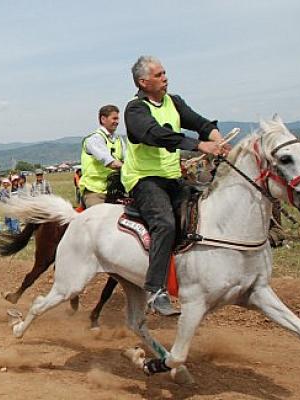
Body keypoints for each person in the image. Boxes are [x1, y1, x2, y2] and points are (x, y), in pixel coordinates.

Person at [121, 55, 228, 316]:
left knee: (202, 215)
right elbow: (155, 134)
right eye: (159, 75)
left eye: (165, 73)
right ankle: (156, 289)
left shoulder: (174, 102)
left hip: (172, 178)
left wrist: (217, 139)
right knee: (165, 224)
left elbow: (199, 123)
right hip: (144, 179)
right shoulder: (135, 109)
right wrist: (199, 145)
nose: (165, 77)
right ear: (143, 82)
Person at [79, 105, 126, 208]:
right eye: (114, 118)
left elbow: (128, 159)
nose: (117, 122)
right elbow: (111, 163)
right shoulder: (94, 140)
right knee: (97, 221)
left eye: (118, 118)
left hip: (116, 190)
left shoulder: (119, 140)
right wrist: (127, 166)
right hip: (95, 192)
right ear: (103, 119)